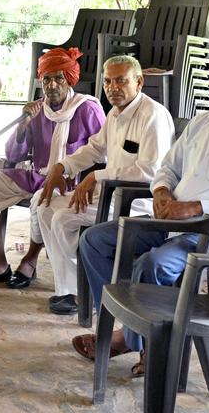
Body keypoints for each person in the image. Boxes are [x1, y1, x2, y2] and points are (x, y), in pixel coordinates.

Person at [73, 48, 209, 373]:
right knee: (96, 241)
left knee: (154, 265)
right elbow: (168, 168)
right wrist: (162, 192)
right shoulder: (201, 123)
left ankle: (146, 346)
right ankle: (133, 332)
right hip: (169, 222)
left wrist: (195, 207)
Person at [35, 55, 174, 315]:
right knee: (44, 207)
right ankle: (71, 288)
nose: (113, 88)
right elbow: (95, 149)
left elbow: (151, 172)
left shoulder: (152, 115)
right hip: (109, 195)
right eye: (108, 81)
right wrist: (62, 167)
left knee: (63, 219)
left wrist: (96, 177)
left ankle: (84, 289)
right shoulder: (115, 113)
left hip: (137, 202)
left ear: (139, 82)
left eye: (121, 81)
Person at [0, 47, 105, 289]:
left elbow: (103, 154)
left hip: (69, 182)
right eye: (46, 79)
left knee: (43, 198)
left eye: (58, 78)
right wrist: (23, 125)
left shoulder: (87, 109)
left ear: (69, 79)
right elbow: (13, 155)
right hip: (34, 175)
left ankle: (30, 260)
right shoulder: (37, 109)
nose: (52, 85)